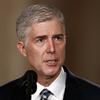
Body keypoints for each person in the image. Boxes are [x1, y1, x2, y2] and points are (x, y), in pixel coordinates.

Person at [0, 3, 100, 100]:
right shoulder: (4, 95)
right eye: (40, 40)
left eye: (57, 38)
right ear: (23, 49)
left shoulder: (94, 95)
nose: (52, 49)